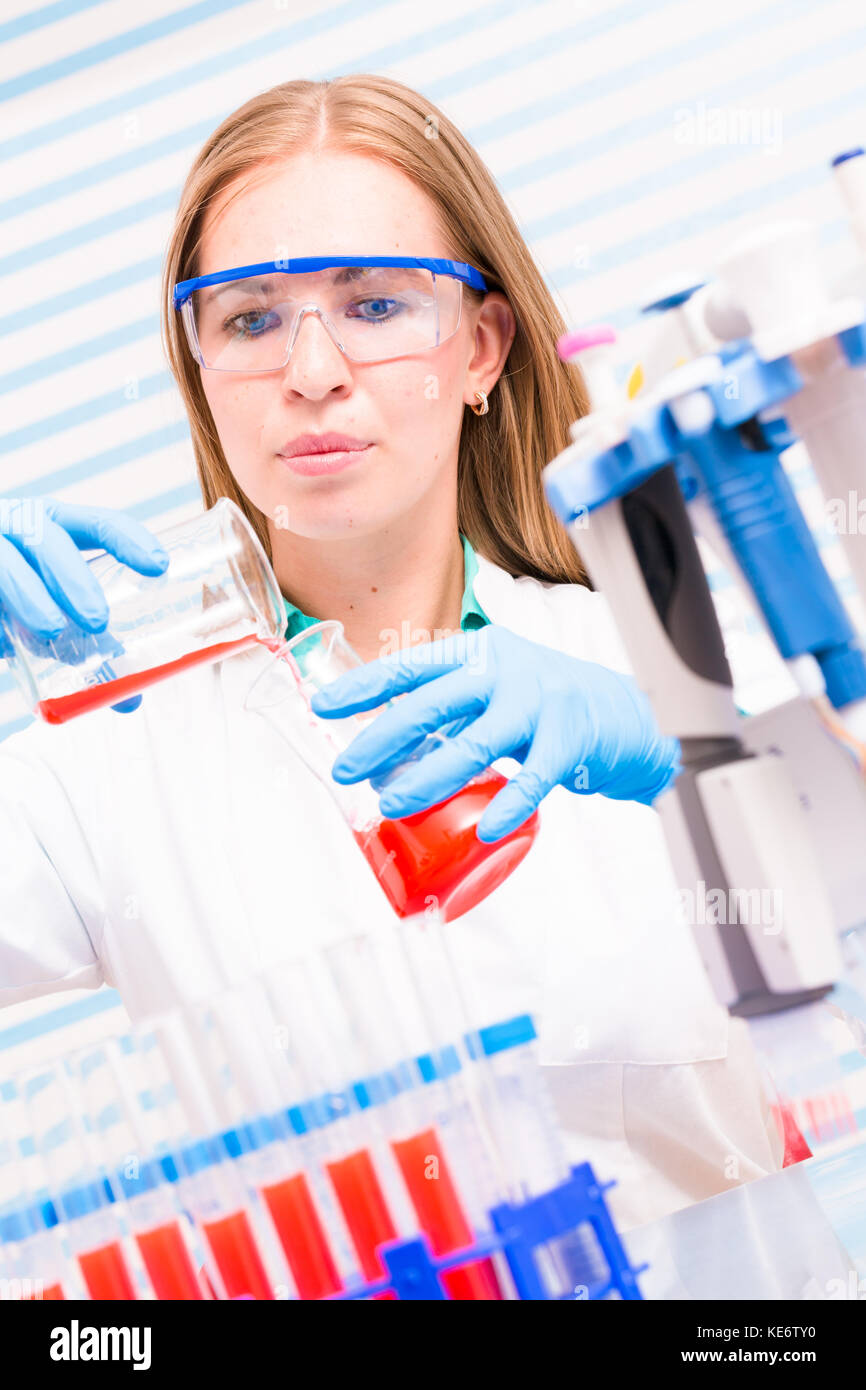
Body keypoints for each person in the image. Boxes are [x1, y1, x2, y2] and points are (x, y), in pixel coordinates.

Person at [0, 74, 784, 1234]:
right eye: (251, 320)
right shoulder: (109, 765)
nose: (311, 371)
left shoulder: (668, 663)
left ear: (480, 348)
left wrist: (686, 755)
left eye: (373, 306)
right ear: (201, 370)